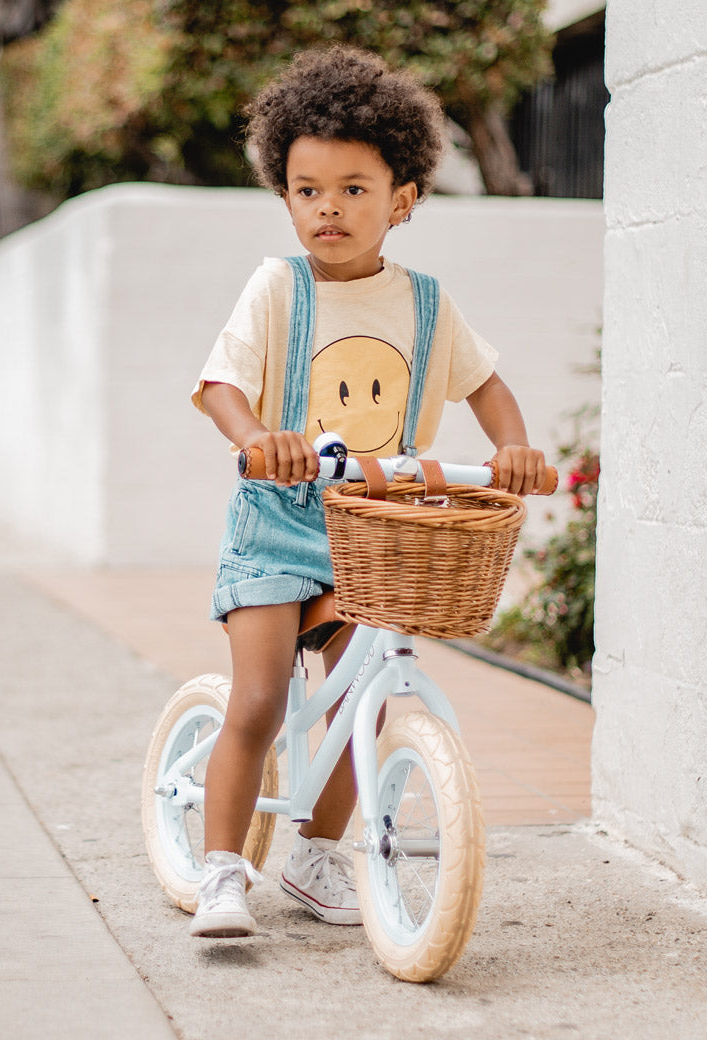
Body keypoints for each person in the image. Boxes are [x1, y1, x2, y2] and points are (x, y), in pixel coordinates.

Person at [189, 45, 547, 938]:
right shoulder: (277, 289)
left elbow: (486, 387)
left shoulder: (427, 303)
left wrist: (513, 450)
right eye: (308, 190)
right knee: (263, 699)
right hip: (277, 528)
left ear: (403, 200)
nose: (329, 209)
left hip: (371, 530)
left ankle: (315, 855)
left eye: (354, 188)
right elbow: (220, 385)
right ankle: (224, 868)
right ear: (285, 196)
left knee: (364, 700)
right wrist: (256, 438)